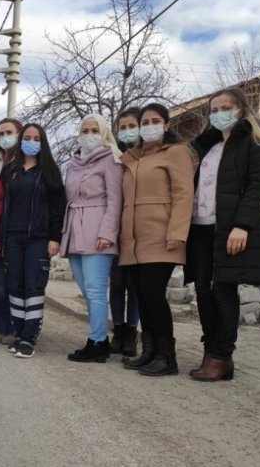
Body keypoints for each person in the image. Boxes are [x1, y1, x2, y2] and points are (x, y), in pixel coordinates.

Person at [186, 87, 260, 382]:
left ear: (240, 110)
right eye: (213, 109)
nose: (218, 114)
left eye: (226, 107)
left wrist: (242, 225)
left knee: (222, 290)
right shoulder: (207, 146)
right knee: (202, 292)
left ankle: (222, 355)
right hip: (200, 228)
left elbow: (258, 187)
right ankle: (211, 352)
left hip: (229, 228)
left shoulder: (254, 143)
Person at [119, 103, 194, 377]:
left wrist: (177, 232)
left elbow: (184, 194)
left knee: (153, 294)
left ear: (165, 124)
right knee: (142, 296)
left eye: (155, 120)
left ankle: (167, 356)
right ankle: (149, 351)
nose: (149, 126)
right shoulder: (132, 157)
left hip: (161, 236)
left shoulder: (176, 152)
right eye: (144, 122)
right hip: (133, 240)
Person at [0, 123, 66, 358]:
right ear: (21, 140)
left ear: (42, 142)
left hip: (38, 240)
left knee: (32, 287)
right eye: (27, 137)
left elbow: (57, 207)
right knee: (14, 286)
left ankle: (29, 338)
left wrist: (55, 237)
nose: (31, 141)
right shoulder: (10, 170)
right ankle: (19, 332)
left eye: (36, 138)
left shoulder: (49, 171)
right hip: (12, 237)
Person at [60, 114, 123, 363]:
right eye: (84, 130)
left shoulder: (111, 159)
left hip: (98, 232)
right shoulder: (73, 163)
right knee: (86, 290)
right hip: (74, 230)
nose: (88, 134)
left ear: (104, 131)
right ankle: (101, 340)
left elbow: (115, 199)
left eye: (94, 130)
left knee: (96, 290)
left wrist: (107, 233)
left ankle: (97, 341)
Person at [109, 107, 142, 357]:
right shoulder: (115, 158)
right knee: (117, 284)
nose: (127, 131)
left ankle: (132, 333)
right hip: (116, 230)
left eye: (132, 125)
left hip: (142, 231)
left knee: (136, 286)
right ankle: (118, 332)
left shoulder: (147, 157)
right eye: (123, 127)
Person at [0, 117, 22, 346]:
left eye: (9, 132)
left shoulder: (26, 161)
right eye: (1, 133)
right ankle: (4, 328)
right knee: (1, 285)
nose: (5, 137)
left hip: (19, 230)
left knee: (17, 284)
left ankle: (20, 330)